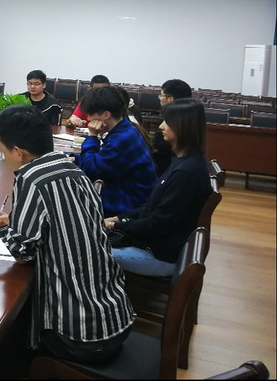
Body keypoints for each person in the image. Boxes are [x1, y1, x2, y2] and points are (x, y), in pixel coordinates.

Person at [0, 105, 133, 363]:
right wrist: (18, 219)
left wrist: (2, 228)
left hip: (81, 337)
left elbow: (23, 254)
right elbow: (65, 218)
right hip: (116, 317)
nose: (4, 157)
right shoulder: (73, 169)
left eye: (2, 151)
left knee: (5, 338)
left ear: (18, 152)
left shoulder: (30, 178)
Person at [104, 98, 211, 277]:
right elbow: (151, 207)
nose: (161, 126)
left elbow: (158, 224)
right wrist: (118, 218)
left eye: (167, 122)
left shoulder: (186, 173)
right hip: (153, 246)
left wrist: (118, 225)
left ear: (183, 126)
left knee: (84, 251)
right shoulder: (183, 162)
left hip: (159, 256)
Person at [77, 86, 157, 217]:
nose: (88, 119)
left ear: (106, 115)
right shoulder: (125, 129)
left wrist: (92, 136)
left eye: (90, 114)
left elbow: (90, 170)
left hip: (126, 207)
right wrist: (74, 157)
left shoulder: (121, 139)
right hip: (125, 197)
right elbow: (102, 159)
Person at [152, 79, 193, 176]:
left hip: (162, 171)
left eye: (161, 95)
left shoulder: (173, 123)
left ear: (170, 99)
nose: (159, 98)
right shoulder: (189, 119)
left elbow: (157, 149)